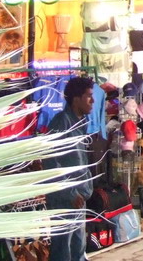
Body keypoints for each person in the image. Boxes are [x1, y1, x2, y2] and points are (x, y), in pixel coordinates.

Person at [43, 76, 96, 261]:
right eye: (88, 96)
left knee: (78, 247)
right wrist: (70, 193)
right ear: (76, 99)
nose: (93, 101)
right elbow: (50, 162)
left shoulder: (82, 122)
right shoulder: (61, 122)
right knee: (63, 251)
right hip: (64, 198)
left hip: (79, 196)